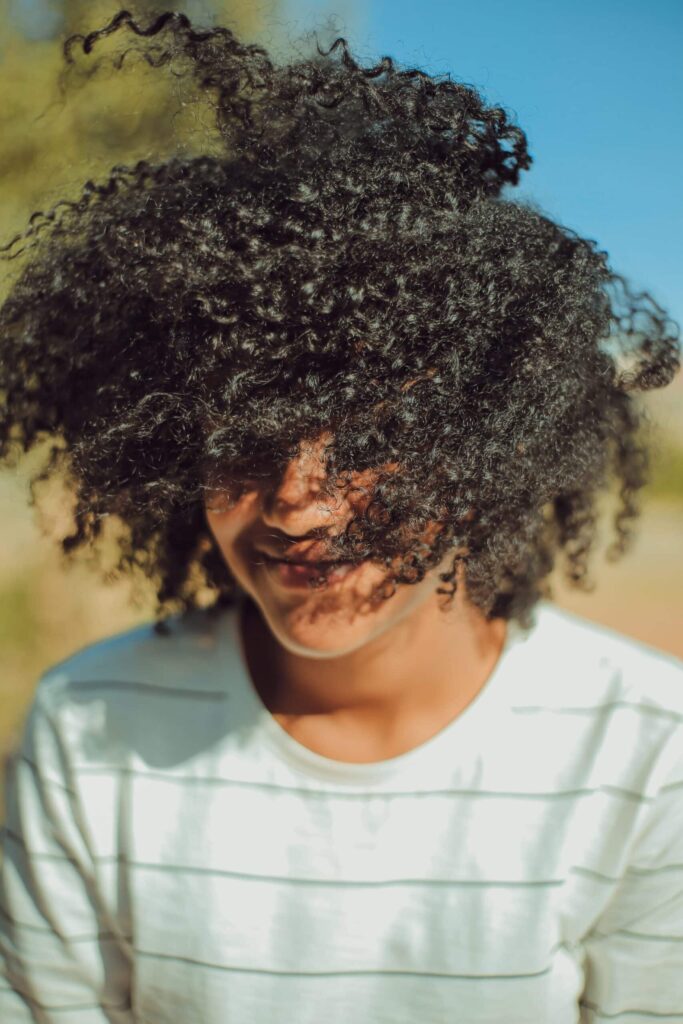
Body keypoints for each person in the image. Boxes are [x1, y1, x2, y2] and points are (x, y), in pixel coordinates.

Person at [0, 9, 682, 1023]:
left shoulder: (643, 751)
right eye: (245, 431)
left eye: (371, 435)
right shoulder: (89, 728)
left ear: (488, 436)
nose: (297, 498)